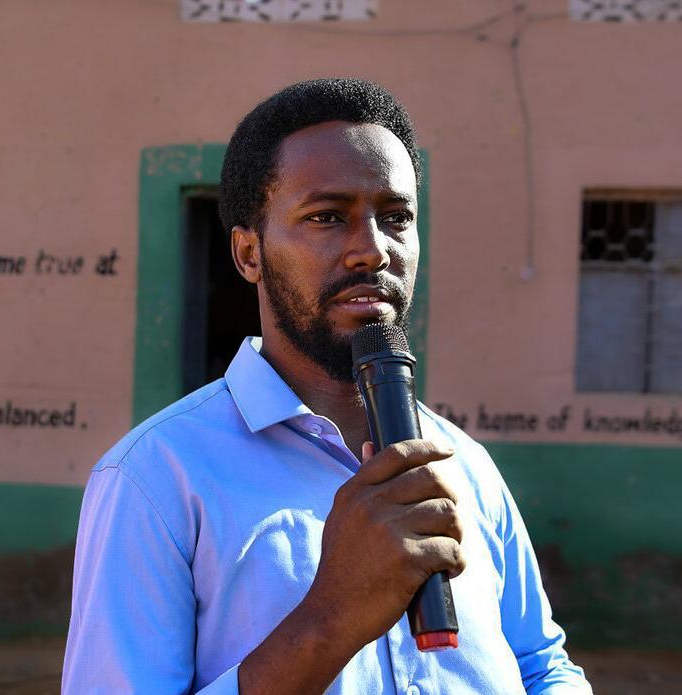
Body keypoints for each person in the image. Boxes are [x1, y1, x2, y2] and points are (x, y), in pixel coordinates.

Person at [63, 78, 591, 694]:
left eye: (395, 218)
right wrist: (332, 617)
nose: (372, 250)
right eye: (326, 217)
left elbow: (541, 665)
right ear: (249, 254)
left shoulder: (462, 463)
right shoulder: (156, 478)